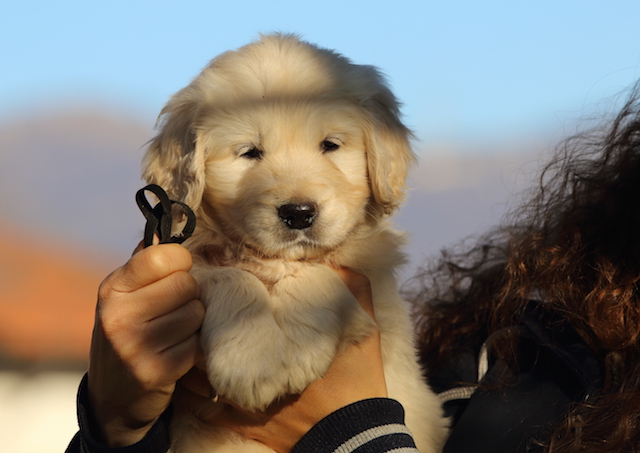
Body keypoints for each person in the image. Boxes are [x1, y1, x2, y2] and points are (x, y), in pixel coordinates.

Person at [68, 84, 640, 453]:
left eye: (330, 144)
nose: (297, 193)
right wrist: (114, 430)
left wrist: (356, 435)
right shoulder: (500, 351)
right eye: (249, 152)